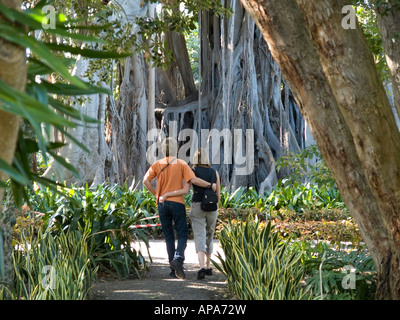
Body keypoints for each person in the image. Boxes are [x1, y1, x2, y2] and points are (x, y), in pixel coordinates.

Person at [143, 138, 216, 280]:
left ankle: (173, 270)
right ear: (176, 150)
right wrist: (209, 185)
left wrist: (156, 195)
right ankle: (178, 258)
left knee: (169, 236)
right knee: (182, 234)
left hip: (162, 204)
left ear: (163, 150)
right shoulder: (182, 164)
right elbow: (192, 181)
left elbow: (145, 181)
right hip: (177, 203)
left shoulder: (157, 164)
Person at [189, 148, 221, 280]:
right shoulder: (214, 172)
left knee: (200, 235)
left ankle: (201, 266)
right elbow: (218, 193)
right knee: (210, 235)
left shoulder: (192, 171)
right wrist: (216, 205)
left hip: (197, 206)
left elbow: (192, 183)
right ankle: (208, 266)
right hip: (212, 207)